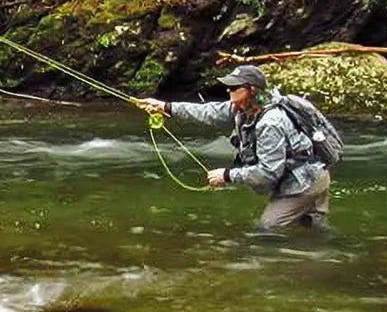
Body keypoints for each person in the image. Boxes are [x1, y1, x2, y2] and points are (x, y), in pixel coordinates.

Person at [139, 64, 331, 232]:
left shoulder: (270, 123)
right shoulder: (244, 107)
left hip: (304, 184)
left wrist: (227, 176)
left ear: (252, 90)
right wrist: (165, 107)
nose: (229, 92)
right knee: (314, 231)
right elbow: (208, 112)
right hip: (314, 174)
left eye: (233, 88)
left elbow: (269, 172)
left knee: (267, 229)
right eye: (228, 87)